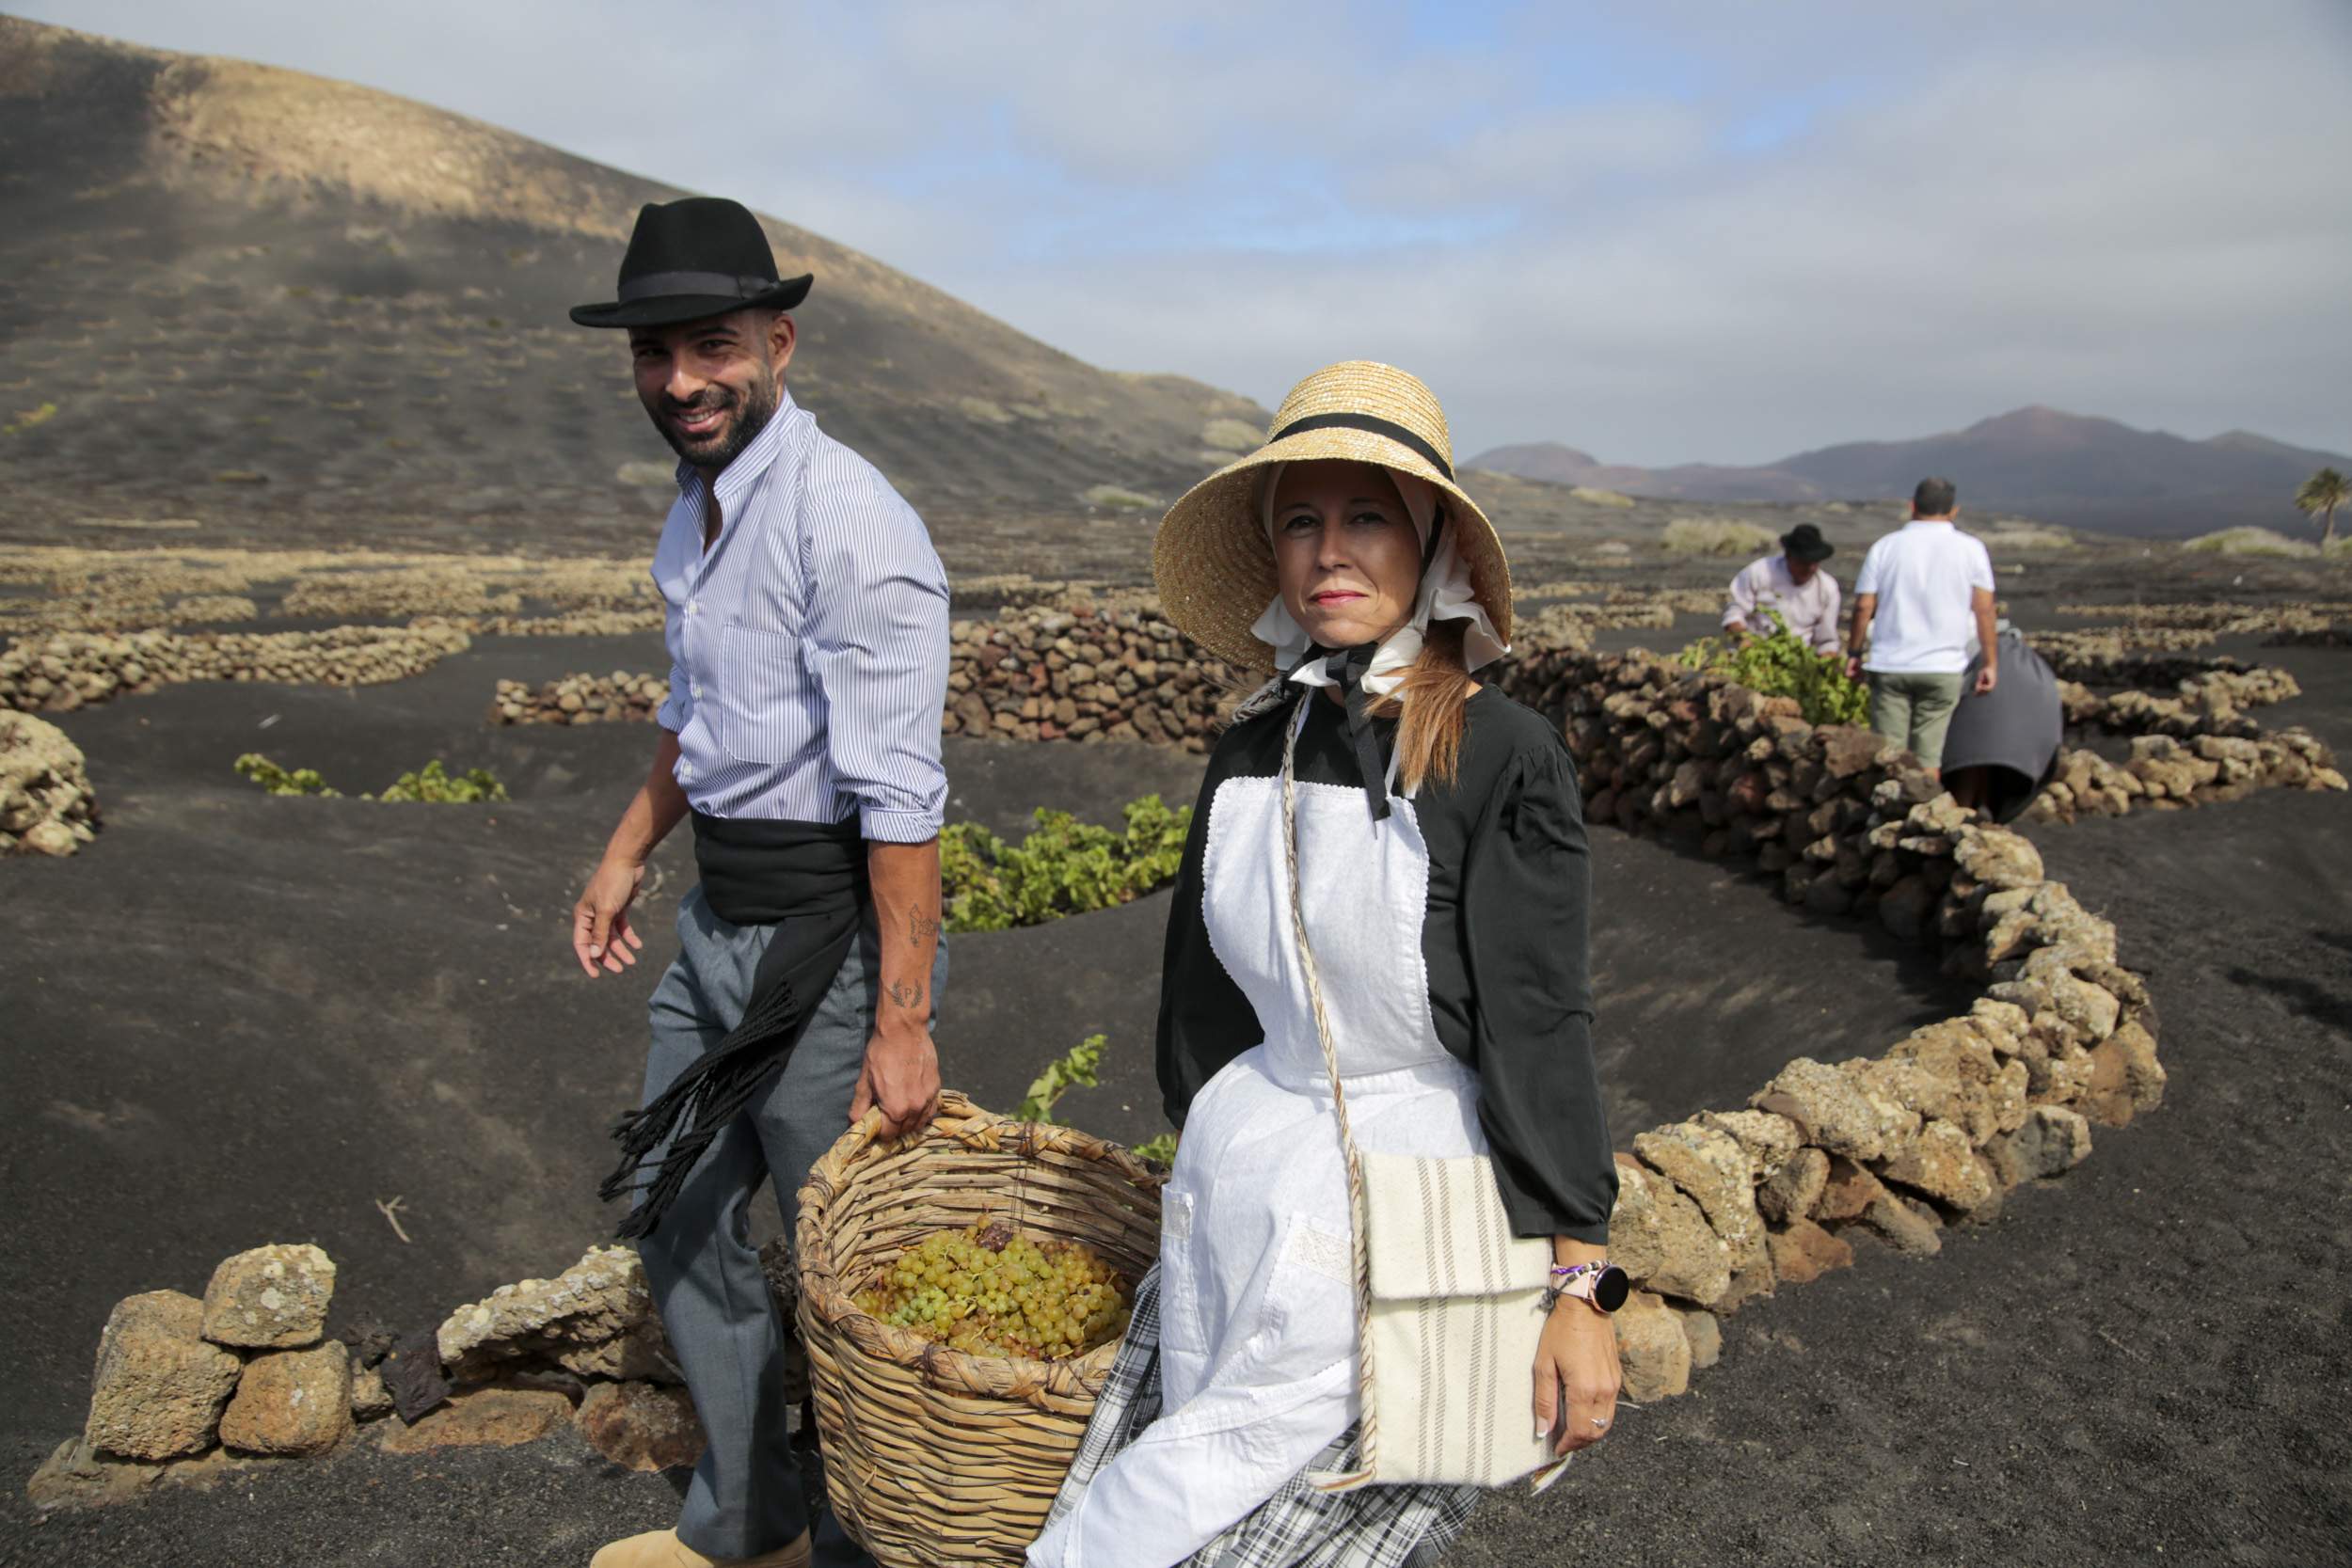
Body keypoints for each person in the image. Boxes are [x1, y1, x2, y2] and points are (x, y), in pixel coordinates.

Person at [1029, 362, 1623, 1568]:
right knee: (1205, 1463)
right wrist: (1208, 1146)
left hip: (1417, 1192)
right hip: (1245, 1180)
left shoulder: (1499, 753)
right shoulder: (1258, 734)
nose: (1328, 552)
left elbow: (1534, 1020)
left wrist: (1578, 1282)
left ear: (1432, 545)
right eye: (1300, 519)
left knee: (1241, 1513)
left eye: (1366, 518)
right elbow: (1196, 987)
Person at [567, 197, 952, 1568]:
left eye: (711, 345)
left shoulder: (850, 523)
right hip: (720, 924)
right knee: (676, 1202)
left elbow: (903, 799)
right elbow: (699, 712)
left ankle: (887, 1543)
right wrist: (626, 850)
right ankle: (752, 1524)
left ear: (777, 341)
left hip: (835, 953)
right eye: (656, 352)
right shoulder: (694, 510)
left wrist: (903, 1021)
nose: (681, 380)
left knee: (859, 1269)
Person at [1842, 477, 1996, 775]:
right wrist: (1990, 662)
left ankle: (1889, 813)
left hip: (1891, 664)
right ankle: (1924, 814)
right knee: (1928, 759)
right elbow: (1985, 609)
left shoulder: (1885, 547)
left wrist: (1854, 653)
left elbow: (1863, 606)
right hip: (1944, 666)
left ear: (1911, 506)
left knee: (1889, 754)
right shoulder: (1971, 549)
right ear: (1954, 511)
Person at [1941, 624, 2064, 822]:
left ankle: (1962, 808)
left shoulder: (1964, 644)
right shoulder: (2025, 660)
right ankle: (1982, 805)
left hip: (1983, 701)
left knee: (1969, 757)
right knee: (1983, 756)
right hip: (2022, 726)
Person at [1723, 522, 1841, 654]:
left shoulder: (1827, 588)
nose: (1810, 568)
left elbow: (1827, 641)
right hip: (1755, 649)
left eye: (1815, 562)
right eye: (1804, 563)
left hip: (1798, 657)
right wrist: (1745, 640)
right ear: (1788, 556)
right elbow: (1733, 615)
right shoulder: (1759, 573)